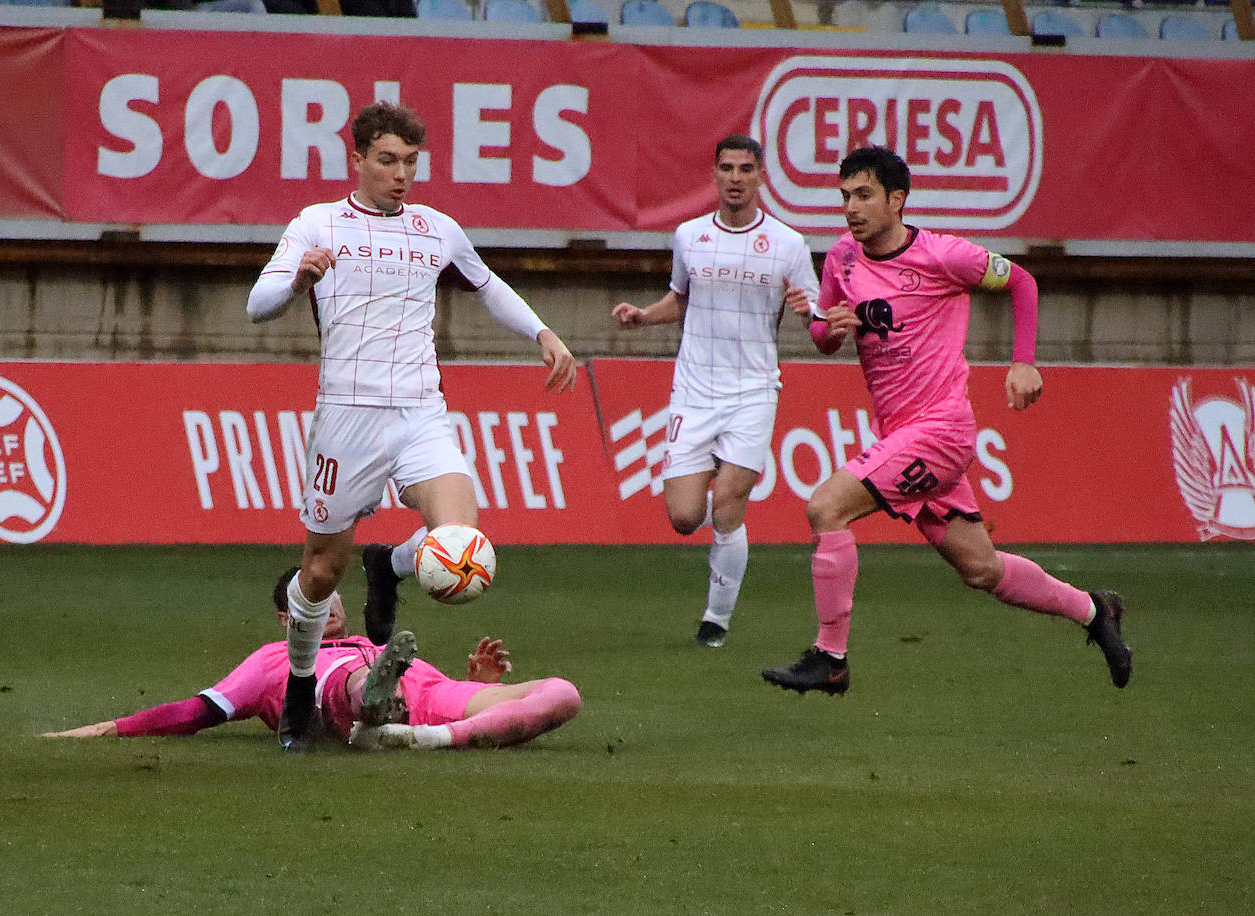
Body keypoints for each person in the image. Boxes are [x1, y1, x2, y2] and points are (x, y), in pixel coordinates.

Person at [246, 102, 576, 751]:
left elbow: (489, 286)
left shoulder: (436, 229)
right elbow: (258, 303)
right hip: (347, 416)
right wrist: (298, 280)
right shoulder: (319, 223)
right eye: (388, 160)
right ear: (359, 159)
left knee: (461, 541)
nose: (401, 174)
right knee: (317, 571)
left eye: (411, 162)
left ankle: (391, 566)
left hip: (422, 411)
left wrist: (543, 332)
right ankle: (297, 692)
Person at [760, 146, 1133, 695]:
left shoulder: (942, 256)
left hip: (941, 431)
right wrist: (828, 326)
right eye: (844, 197)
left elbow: (1022, 282)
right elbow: (824, 336)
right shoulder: (842, 257)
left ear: (897, 200)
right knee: (981, 569)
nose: (851, 208)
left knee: (825, 506)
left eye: (864, 195)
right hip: (901, 435)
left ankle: (830, 659)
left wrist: (1023, 361)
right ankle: (1094, 612)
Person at [610, 135, 820, 648]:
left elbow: (819, 319)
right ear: (714, 174)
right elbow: (680, 299)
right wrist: (644, 316)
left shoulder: (789, 246)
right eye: (726, 168)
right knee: (684, 517)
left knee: (727, 500)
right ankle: (727, 538)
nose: (735, 177)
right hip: (693, 391)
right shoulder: (689, 236)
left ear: (760, 177)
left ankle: (716, 620)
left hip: (753, 391)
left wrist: (812, 312)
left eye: (745, 168)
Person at [41, 569, 582, 751]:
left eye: (331, 593)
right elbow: (196, 712)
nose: (332, 604)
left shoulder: (367, 639)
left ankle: (422, 737)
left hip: (429, 695)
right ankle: (373, 703)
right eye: (312, 600)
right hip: (339, 695)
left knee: (562, 694)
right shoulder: (272, 659)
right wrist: (104, 730)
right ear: (288, 619)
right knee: (353, 678)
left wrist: (477, 684)